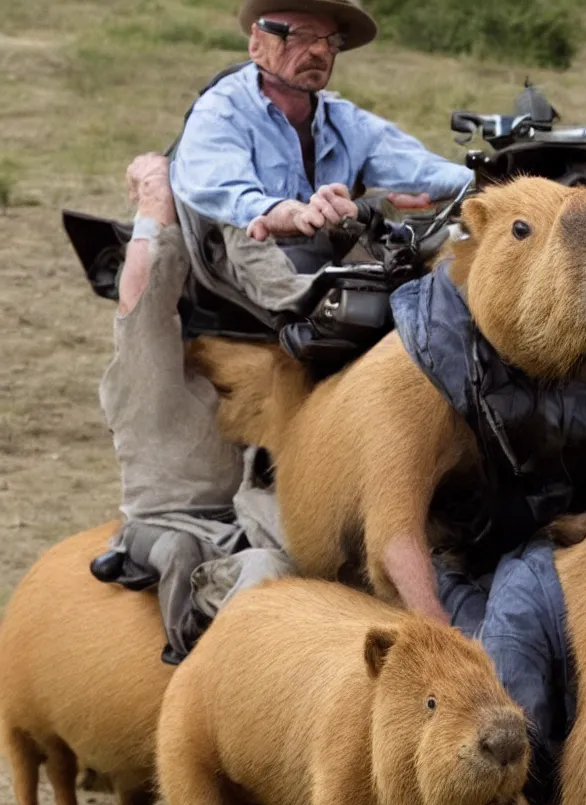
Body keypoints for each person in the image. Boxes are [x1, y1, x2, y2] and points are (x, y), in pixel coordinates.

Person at [93, 0, 474, 663]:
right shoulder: (223, 114)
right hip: (243, 296)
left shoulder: (344, 124)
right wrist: (280, 209)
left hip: (296, 342)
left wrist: (490, 188)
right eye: (298, 35)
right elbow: (213, 182)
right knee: (207, 541)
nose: (318, 50)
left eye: (328, 40)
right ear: (257, 43)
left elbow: (433, 173)